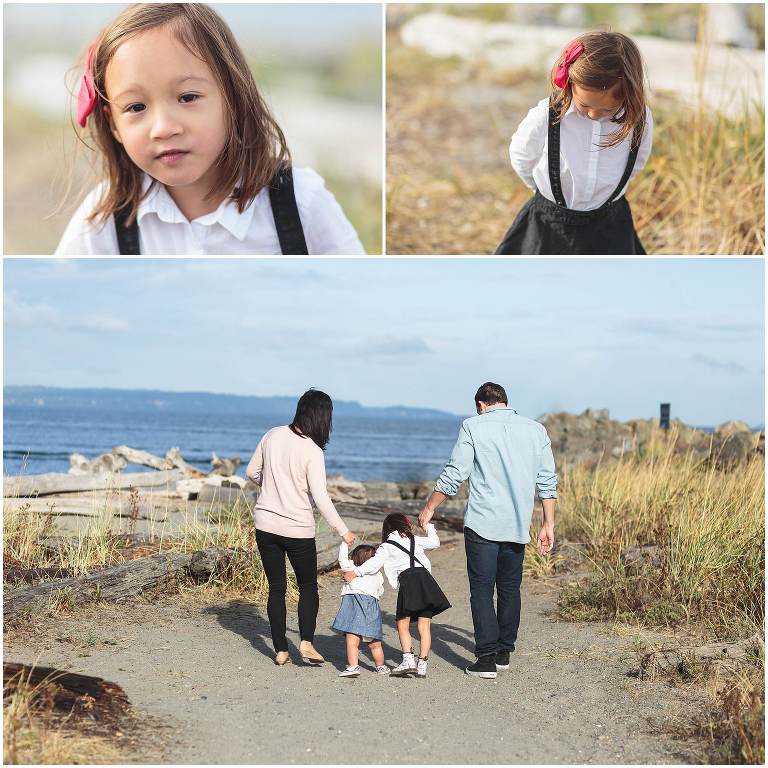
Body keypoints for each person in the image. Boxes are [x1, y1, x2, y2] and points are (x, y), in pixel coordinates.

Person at [55, 3, 365, 255]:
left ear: (232, 98)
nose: (163, 128)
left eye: (188, 97)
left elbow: (358, 297)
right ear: (114, 124)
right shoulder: (104, 218)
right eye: (136, 107)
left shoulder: (301, 202)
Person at [419, 382, 557, 680]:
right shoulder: (536, 430)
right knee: (509, 589)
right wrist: (549, 523)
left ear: (481, 404)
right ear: (505, 402)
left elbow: (456, 473)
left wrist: (430, 507)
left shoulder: (473, 427)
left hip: (483, 523)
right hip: (518, 524)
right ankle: (503, 652)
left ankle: (485, 660)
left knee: (482, 591)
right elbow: (547, 481)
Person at [495, 31, 653, 255]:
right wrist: (540, 189)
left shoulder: (639, 118)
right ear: (570, 87)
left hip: (609, 221)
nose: (593, 114)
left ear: (629, 94)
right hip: (550, 221)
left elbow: (638, 160)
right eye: (585, 105)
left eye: (607, 109)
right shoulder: (547, 115)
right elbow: (522, 155)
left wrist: (610, 189)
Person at [246, 389, 355, 666]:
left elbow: (251, 472)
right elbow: (320, 497)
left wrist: (271, 487)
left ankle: (281, 650)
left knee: (276, 588)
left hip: (266, 525)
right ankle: (306, 643)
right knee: (307, 587)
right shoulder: (312, 450)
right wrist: (342, 530)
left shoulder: (272, 435)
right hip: (297, 529)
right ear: (322, 417)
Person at [345, 513, 448, 679]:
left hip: (409, 580)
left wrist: (355, 572)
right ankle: (422, 665)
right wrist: (428, 526)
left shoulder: (386, 546)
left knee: (402, 624)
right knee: (424, 626)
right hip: (427, 582)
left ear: (387, 529)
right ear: (405, 525)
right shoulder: (415, 539)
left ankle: (408, 661)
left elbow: (374, 564)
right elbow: (435, 542)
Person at [332, 543, 388, 678]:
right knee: (375, 644)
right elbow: (380, 591)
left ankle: (353, 667)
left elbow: (342, 560)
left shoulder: (352, 568)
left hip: (354, 606)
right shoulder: (377, 574)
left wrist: (344, 543)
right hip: (371, 607)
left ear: (354, 558)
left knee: (352, 642)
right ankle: (381, 666)